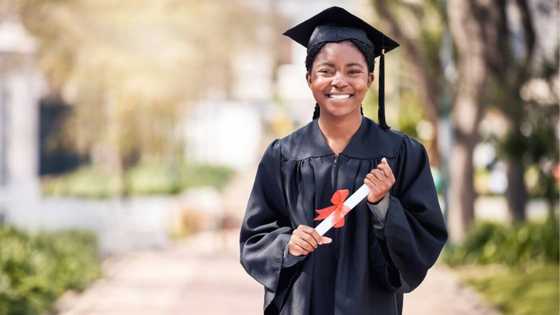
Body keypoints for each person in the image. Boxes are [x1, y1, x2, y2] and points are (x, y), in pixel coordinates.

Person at [239, 6, 447, 315]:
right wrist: (287, 245)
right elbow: (255, 236)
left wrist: (384, 206)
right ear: (309, 78)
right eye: (326, 70)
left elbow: (425, 237)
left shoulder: (402, 153)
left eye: (353, 71)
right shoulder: (283, 155)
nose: (340, 81)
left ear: (370, 79)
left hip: (370, 304)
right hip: (301, 304)